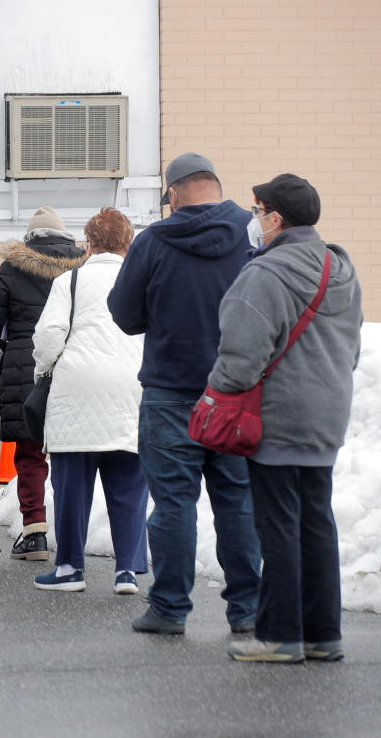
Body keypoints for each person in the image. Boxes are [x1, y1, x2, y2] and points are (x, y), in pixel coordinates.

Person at [108, 152, 261, 636]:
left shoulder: (153, 240)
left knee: (173, 503)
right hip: (235, 393)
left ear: (171, 192)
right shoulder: (251, 233)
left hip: (171, 393)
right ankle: (248, 610)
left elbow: (125, 314)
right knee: (237, 502)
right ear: (216, 184)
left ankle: (170, 609)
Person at [210, 175, 362, 662]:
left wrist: (220, 395)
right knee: (317, 521)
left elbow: (240, 357)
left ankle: (279, 636)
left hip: (276, 417)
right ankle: (323, 634)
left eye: (258, 211)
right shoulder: (340, 268)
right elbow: (352, 348)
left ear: (276, 218)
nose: (254, 220)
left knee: (277, 526)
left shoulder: (265, 274)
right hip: (327, 414)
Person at [31, 208, 148, 594]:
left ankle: (69, 569)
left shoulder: (72, 280)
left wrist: (43, 371)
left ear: (90, 243)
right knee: (129, 486)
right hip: (131, 390)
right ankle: (127, 571)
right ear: (128, 243)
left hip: (77, 391)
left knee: (72, 488)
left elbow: (49, 336)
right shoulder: (143, 281)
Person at [0, 206, 86, 561]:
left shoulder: (12, 267)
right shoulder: (84, 267)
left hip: (23, 366)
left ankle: (34, 533)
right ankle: (72, 533)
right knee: (67, 454)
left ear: (30, 238)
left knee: (30, 453)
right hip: (74, 364)